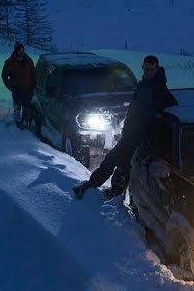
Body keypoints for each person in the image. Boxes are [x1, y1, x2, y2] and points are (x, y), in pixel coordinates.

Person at [72, 55, 178, 199]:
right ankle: (113, 191)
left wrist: (151, 128)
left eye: (151, 70)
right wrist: (127, 126)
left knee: (114, 159)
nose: (148, 72)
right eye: (146, 69)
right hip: (131, 132)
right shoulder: (142, 85)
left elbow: (171, 106)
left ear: (156, 69)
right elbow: (134, 109)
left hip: (140, 135)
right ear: (142, 67)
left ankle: (94, 186)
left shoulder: (159, 89)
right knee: (122, 162)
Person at [1, 41, 37, 129]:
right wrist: (10, 87)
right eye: (20, 50)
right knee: (17, 107)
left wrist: (32, 86)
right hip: (16, 89)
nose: (22, 52)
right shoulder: (10, 62)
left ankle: (25, 123)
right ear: (16, 51)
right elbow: (4, 76)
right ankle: (17, 123)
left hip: (28, 89)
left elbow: (34, 74)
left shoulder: (28, 61)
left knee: (26, 107)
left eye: (23, 50)